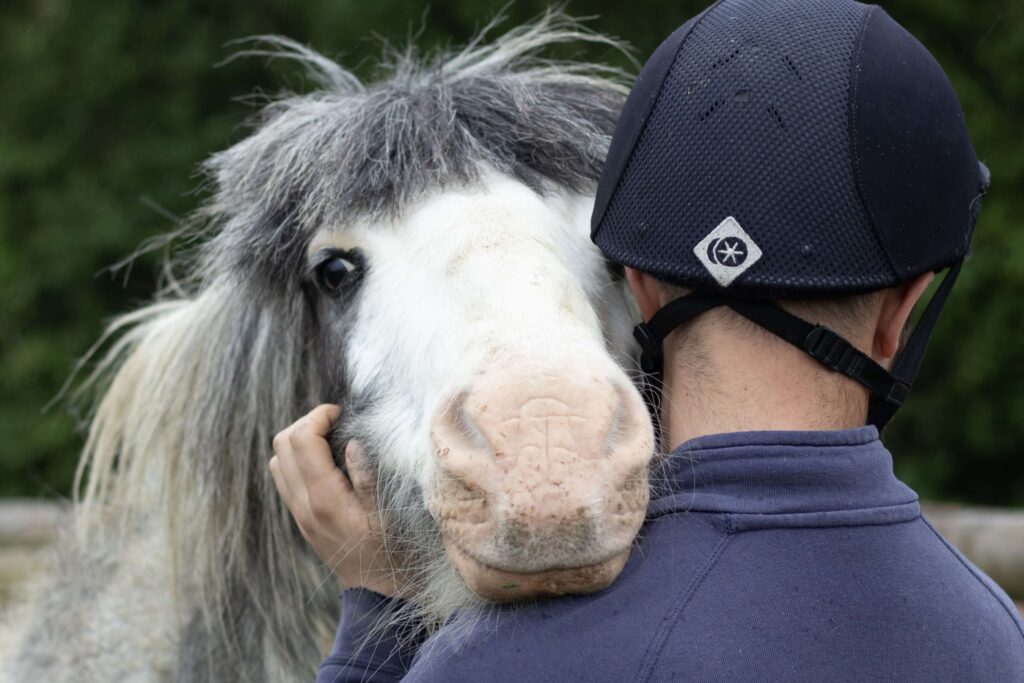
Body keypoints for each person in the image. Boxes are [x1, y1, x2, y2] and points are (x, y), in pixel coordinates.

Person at [270, 1, 1024, 680]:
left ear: (638, 284)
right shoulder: (994, 634)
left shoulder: (507, 659)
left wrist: (377, 618)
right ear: (904, 311)